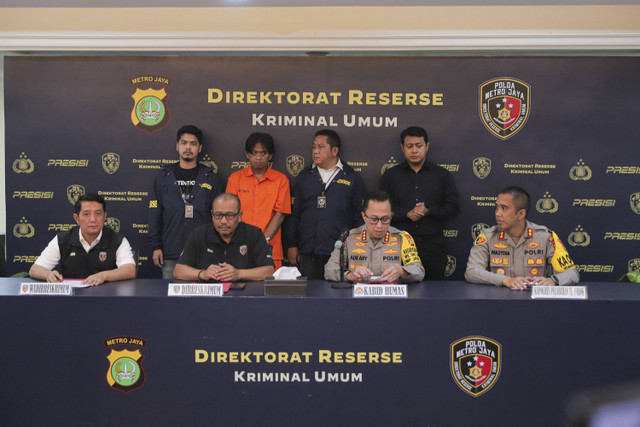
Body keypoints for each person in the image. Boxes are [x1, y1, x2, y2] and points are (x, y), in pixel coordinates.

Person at [379, 126, 460, 280]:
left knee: (434, 295)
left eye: (419, 146)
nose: (414, 150)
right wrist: (406, 214)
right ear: (402, 148)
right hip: (398, 246)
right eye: (409, 146)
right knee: (399, 296)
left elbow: (453, 207)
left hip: (433, 246)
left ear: (427, 146)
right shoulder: (390, 176)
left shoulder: (442, 175)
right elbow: (382, 210)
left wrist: (428, 211)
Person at [285, 129, 366, 280]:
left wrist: (358, 250)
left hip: (340, 252)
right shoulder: (305, 176)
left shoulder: (352, 178)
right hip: (308, 252)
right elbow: (294, 215)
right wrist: (291, 245)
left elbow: (358, 219)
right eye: (314, 147)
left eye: (321, 147)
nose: (315, 151)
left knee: (338, 297)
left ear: (334, 150)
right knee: (309, 299)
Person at [465, 186, 580, 289]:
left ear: (521, 214)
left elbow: (572, 273)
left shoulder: (545, 236)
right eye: (497, 207)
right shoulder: (487, 236)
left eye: (504, 208)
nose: (498, 213)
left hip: (534, 303)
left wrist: (553, 280)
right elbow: (471, 271)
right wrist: (505, 280)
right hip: (498, 303)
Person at [148, 125, 222, 279]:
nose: (188, 147)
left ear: (200, 148)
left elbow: (219, 217)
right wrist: (156, 247)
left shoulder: (210, 177)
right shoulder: (163, 177)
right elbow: (155, 213)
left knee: (203, 301)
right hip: (171, 251)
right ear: (177, 146)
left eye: (193, 144)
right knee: (170, 301)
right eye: (184, 143)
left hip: (204, 252)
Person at [29, 194, 136, 286]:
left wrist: (103, 276)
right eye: (86, 214)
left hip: (107, 298)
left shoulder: (117, 239)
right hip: (72, 299)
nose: (93, 219)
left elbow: (130, 270)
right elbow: (35, 269)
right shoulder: (63, 239)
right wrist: (47, 274)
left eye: (98, 213)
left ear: (104, 216)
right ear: (77, 218)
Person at [325, 190, 424, 283]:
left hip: (391, 297)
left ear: (392, 215)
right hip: (357, 297)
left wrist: (402, 271)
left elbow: (419, 271)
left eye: (385, 219)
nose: (379, 225)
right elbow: (329, 270)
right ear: (364, 216)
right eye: (373, 219)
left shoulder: (402, 237)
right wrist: (350, 275)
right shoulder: (349, 237)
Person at [173, 193, 275, 282]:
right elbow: (178, 271)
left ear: (239, 216)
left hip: (244, 296)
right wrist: (202, 274)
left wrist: (238, 274)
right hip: (208, 297)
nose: (223, 221)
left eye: (229, 215)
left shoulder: (254, 234)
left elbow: (269, 271)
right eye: (218, 215)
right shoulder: (199, 234)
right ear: (212, 215)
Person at [226, 132, 291, 270]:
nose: (258, 157)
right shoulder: (235, 178)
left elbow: (280, 214)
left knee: (270, 290)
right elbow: (230, 213)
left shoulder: (281, 180)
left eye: (263, 153)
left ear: (270, 155)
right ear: (247, 154)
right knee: (239, 288)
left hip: (270, 247)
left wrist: (262, 241)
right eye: (254, 152)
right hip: (239, 245)